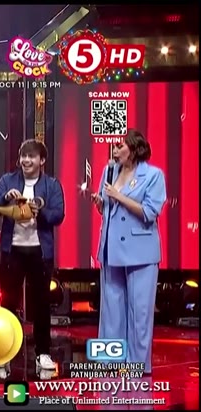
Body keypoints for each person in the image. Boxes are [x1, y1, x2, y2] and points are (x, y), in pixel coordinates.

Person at [0, 139, 65, 379]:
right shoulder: (7, 181)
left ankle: (43, 353)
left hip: (40, 253)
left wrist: (39, 211)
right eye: (23, 156)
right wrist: (5, 199)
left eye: (31, 156)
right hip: (13, 251)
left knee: (41, 305)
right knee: (8, 304)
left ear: (42, 160)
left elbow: (58, 215)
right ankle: (4, 354)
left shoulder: (52, 185)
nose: (26, 161)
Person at [92, 130, 166, 375]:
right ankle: (110, 362)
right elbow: (108, 210)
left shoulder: (153, 175)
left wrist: (119, 196)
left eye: (119, 146)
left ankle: (138, 365)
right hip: (111, 249)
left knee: (139, 312)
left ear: (134, 149)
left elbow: (149, 212)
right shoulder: (109, 171)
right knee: (111, 311)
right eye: (114, 146)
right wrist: (101, 203)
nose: (115, 151)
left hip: (140, 252)